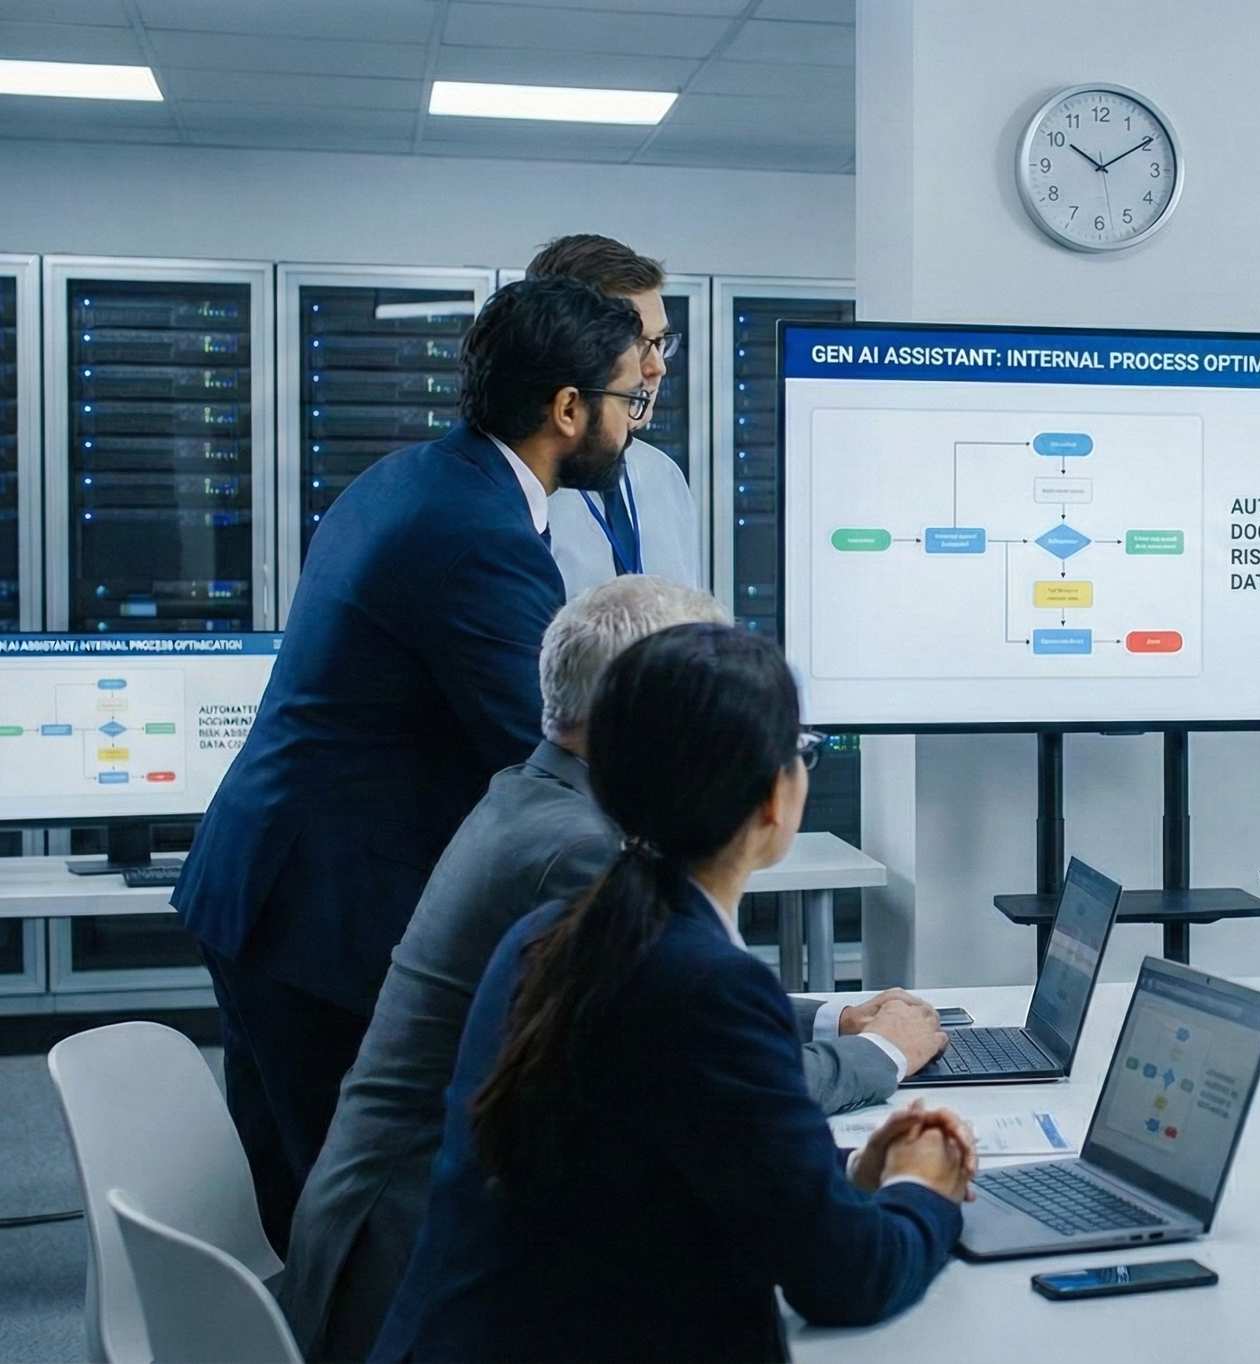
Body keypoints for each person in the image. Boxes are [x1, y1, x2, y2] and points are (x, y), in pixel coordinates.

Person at [278, 577, 949, 1363]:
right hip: (417, 1263)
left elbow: (693, 1041)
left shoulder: (555, 918)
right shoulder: (588, 872)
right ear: (775, 795)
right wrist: (923, 1186)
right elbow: (847, 1274)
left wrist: (825, 1163)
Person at [172, 276, 645, 1252]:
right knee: (364, 1222)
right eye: (628, 400)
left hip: (268, 882)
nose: (634, 423)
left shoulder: (413, 476)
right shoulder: (474, 533)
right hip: (324, 914)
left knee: (304, 1204)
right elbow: (550, 746)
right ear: (566, 408)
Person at [530, 234, 705, 597]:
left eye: (660, 343)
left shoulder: (664, 476)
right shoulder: (517, 487)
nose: (657, 368)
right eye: (637, 344)